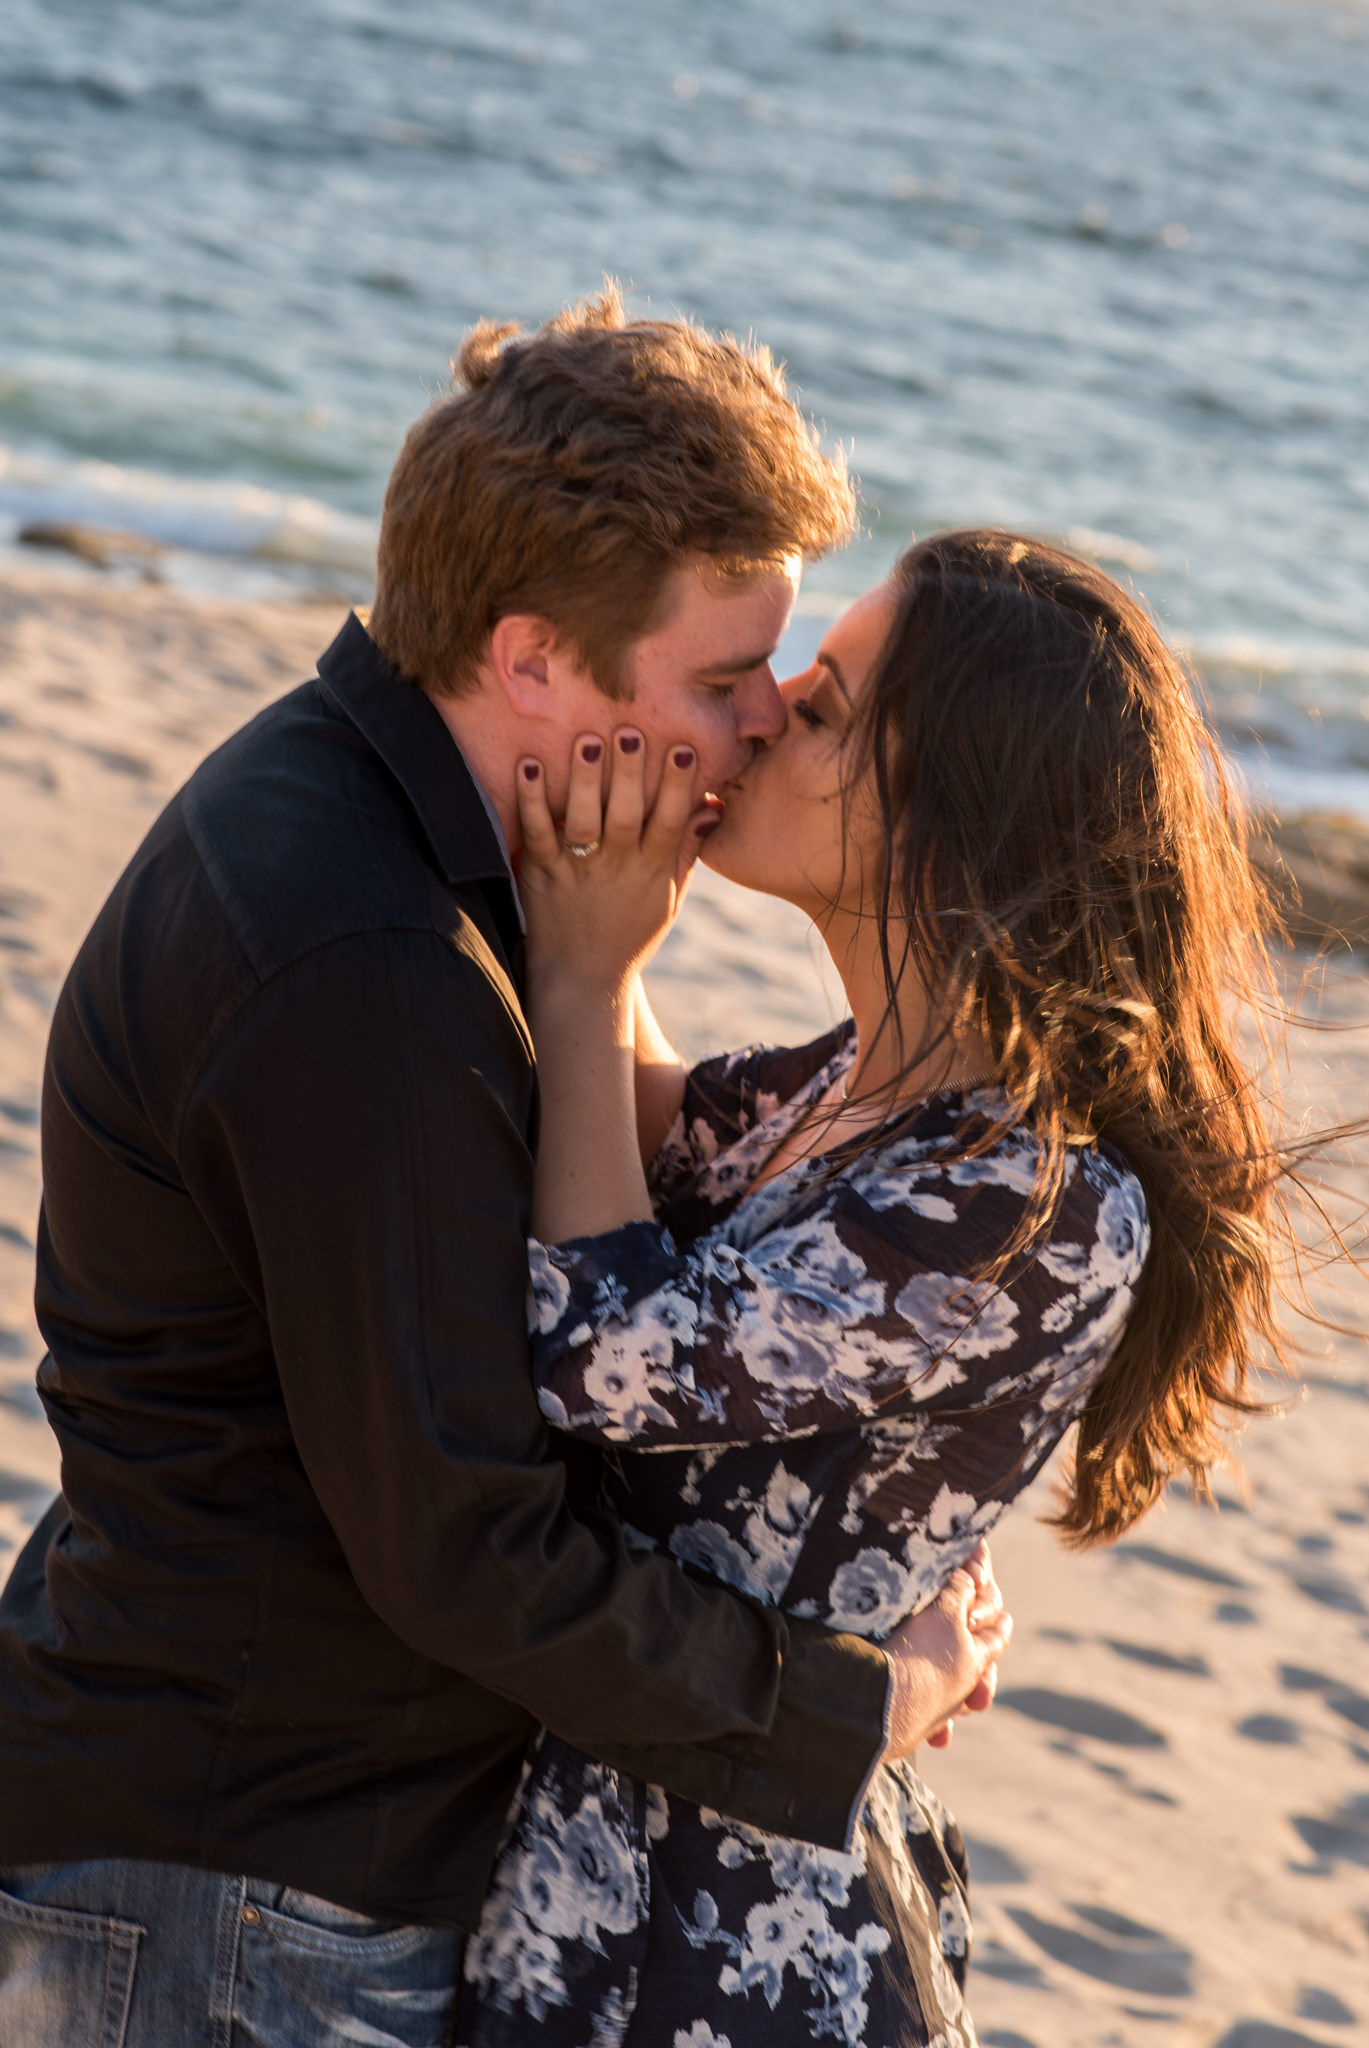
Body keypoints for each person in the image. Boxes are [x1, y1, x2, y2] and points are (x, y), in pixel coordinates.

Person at [0, 295, 1009, 2048]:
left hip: (244, 1855)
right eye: (719, 678)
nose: (760, 723)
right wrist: (855, 1709)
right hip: (232, 1888)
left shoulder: (409, 850)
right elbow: (468, 1551)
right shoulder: (365, 965)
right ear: (535, 660)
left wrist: (595, 962)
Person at [454, 527, 1289, 2044]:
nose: (762, 712)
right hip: (604, 1862)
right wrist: (613, 930)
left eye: (825, 706)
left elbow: (589, 1349)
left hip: (720, 1949)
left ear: (950, 822)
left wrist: (581, 972)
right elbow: (631, 1152)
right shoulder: (849, 1091)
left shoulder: (1026, 1200)